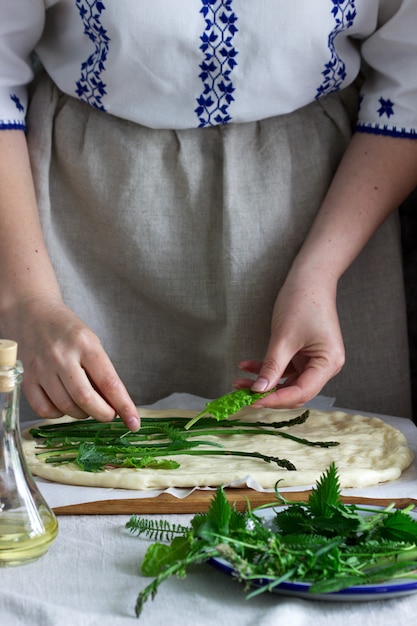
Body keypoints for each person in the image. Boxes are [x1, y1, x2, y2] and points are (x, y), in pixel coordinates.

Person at [0, 1, 416, 431]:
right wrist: (29, 300)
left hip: (329, 205)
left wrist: (320, 273)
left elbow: (410, 82)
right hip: (77, 224)